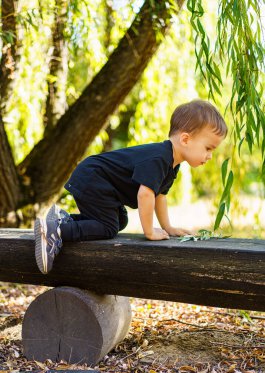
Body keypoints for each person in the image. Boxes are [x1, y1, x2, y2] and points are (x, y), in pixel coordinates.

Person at [34, 99, 228, 274]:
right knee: (109, 227)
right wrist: (149, 231)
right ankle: (55, 232)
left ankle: (64, 220)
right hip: (93, 178)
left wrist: (167, 227)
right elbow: (145, 195)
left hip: (98, 180)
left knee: (119, 220)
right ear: (185, 139)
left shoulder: (172, 164)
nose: (210, 155)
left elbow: (160, 196)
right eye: (208, 148)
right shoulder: (159, 158)